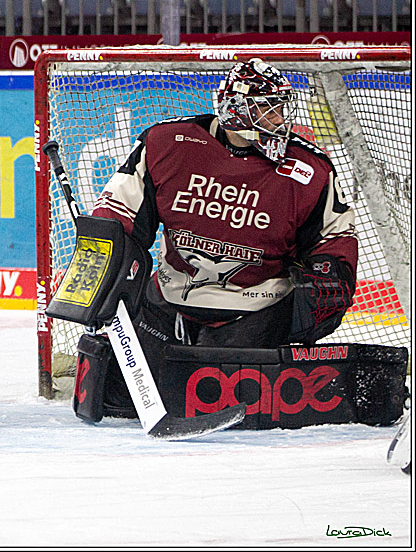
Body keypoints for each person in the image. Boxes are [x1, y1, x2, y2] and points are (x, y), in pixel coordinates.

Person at [81, 58, 358, 416]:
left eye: (280, 109)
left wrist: (330, 273)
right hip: (168, 301)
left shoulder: (308, 169)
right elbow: (119, 213)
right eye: (266, 109)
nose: (279, 120)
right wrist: (103, 263)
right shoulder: (168, 144)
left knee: (225, 407)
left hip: (254, 309)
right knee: (115, 398)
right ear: (236, 111)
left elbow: (335, 235)